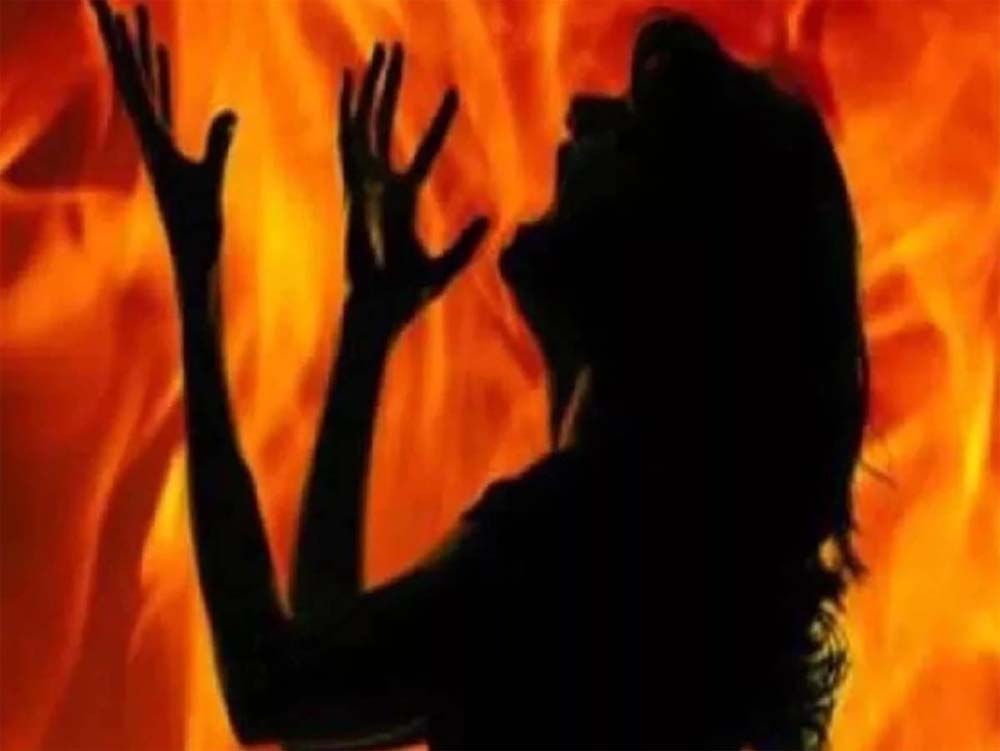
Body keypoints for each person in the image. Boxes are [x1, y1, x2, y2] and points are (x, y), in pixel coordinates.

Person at [89, 2, 867, 749]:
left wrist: (198, 275)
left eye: (630, 131)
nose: (580, 116)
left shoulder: (560, 548)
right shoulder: (650, 568)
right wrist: (366, 332)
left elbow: (272, 688)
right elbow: (327, 692)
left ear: (670, 258)